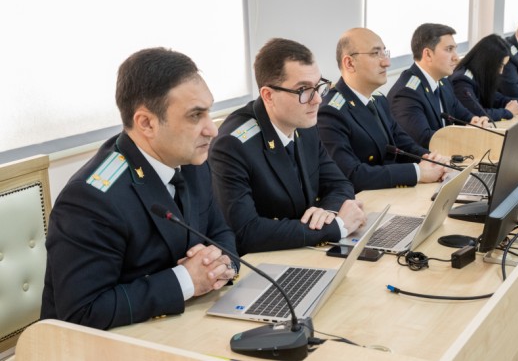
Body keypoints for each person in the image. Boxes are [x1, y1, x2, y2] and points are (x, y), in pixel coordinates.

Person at [41, 48, 239, 330]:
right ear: (146, 123)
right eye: (195, 115)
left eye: (208, 111)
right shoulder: (89, 198)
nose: (212, 130)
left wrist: (221, 264)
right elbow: (82, 312)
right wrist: (186, 280)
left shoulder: (192, 162)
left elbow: (220, 232)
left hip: (182, 325)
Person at [209, 38, 366, 255]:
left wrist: (327, 213)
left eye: (318, 86)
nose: (317, 100)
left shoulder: (304, 122)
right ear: (268, 95)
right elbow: (246, 232)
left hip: (304, 250)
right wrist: (336, 227)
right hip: (266, 261)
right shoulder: (232, 145)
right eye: (303, 89)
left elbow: (339, 183)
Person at [317, 27, 448, 193]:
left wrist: (430, 160)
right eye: (375, 54)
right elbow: (351, 175)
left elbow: (403, 144)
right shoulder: (331, 113)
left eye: (384, 53)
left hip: (389, 193)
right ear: (349, 63)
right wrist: (418, 172)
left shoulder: (378, 100)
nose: (386, 62)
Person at [388, 23, 489, 148]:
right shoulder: (407, 94)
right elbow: (424, 140)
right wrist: (467, 133)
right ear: (428, 54)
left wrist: (476, 122)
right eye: (449, 49)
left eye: (455, 49)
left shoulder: (443, 83)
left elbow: (464, 116)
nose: (456, 57)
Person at [450, 34, 518, 121]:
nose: (501, 71)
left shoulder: (479, 77)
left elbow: (501, 100)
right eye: (500, 65)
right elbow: (477, 114)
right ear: (487, 62)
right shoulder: (462, 81)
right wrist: (507, 112)